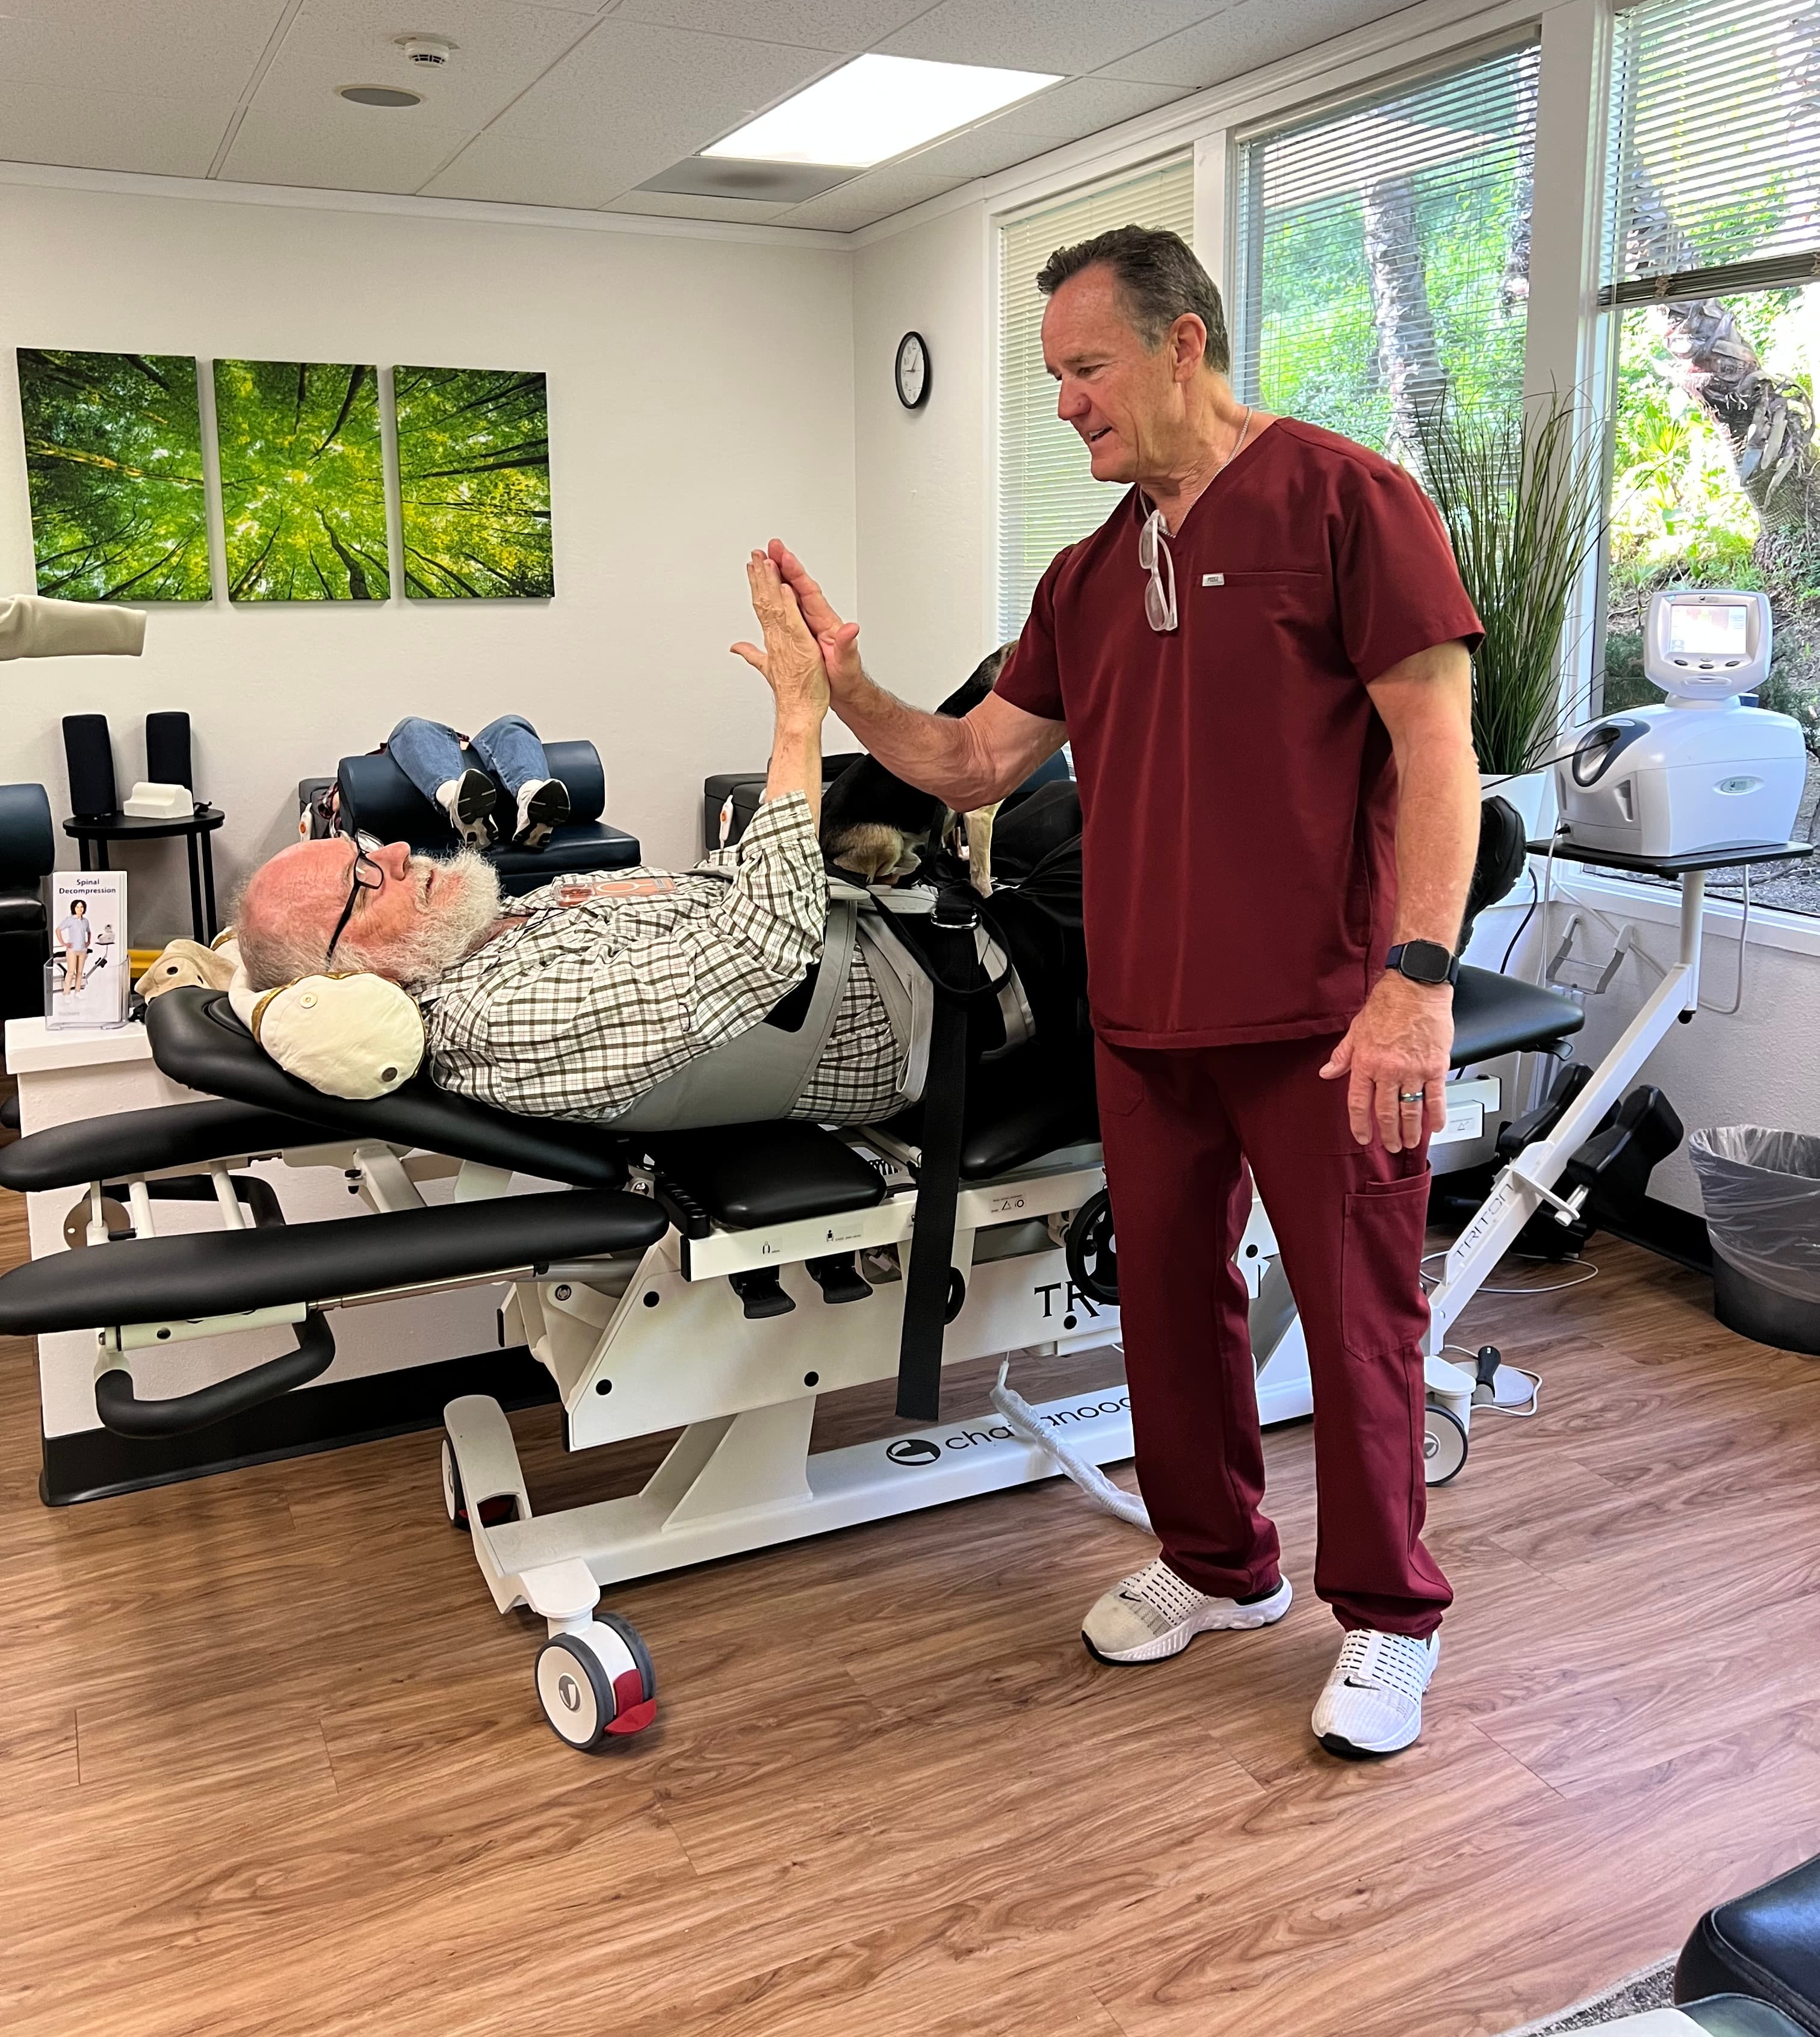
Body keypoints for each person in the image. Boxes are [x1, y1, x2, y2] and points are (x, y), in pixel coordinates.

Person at [769, 223, 1484, 1761]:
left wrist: (1417, 982)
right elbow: (972, 762)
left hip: (1323, 1014)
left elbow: (1438, 749)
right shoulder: (1089, 574)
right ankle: (1221, 1568)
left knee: (1361, 1319)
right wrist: (848, 688)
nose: (1067, 406)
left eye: (1085, 369)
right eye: (1054, 379)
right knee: (1164, 1309)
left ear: (1183, 344)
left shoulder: (1348, 500)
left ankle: (1387, 1619)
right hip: (1146, 1017)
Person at [234, 559, 910, 1126]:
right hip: (909, 994)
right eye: (364, 878)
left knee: (937, 745)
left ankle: (514, 793)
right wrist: (797, 718)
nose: (397, 853)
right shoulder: (492, 1018)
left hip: (857, 906)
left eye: (364, 847)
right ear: (350, 972)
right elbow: (761, 950)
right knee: (974, 725)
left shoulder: (492, 928)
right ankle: (492, 794)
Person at [384, 715, 572, 852]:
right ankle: (456, 802)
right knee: (412, 728)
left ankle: (531, 799)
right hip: (435, 778)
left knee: (512, 725)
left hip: (482, 770)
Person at [57, 898, 91, 993]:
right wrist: (64, 944)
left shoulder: (85, 921)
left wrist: (88, 942)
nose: (80, 909)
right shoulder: (70, 920)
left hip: (83, 950)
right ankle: (66, 993)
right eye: (77, 907)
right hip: (72, 950)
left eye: (82, 907)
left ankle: (78, 992)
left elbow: (89, 932)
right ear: (74, 908)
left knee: (80, 972)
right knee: (71, 972)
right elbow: (58, 930)